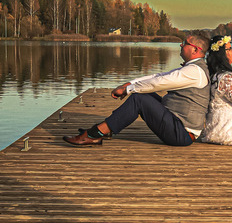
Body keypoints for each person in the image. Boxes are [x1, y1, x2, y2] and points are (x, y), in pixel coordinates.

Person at [63, 33, 212, 148]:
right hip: (176, 126)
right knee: (144, 94)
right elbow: (159, 76)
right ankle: (106, 129)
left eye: (185, 43)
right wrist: (129, 84)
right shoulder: (193, 68)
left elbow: (159, 83)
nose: (181, 44)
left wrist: (129, 89)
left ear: (195, 49)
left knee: (139, 99)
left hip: (181, 134)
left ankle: (95, 133)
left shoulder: (194, 71)